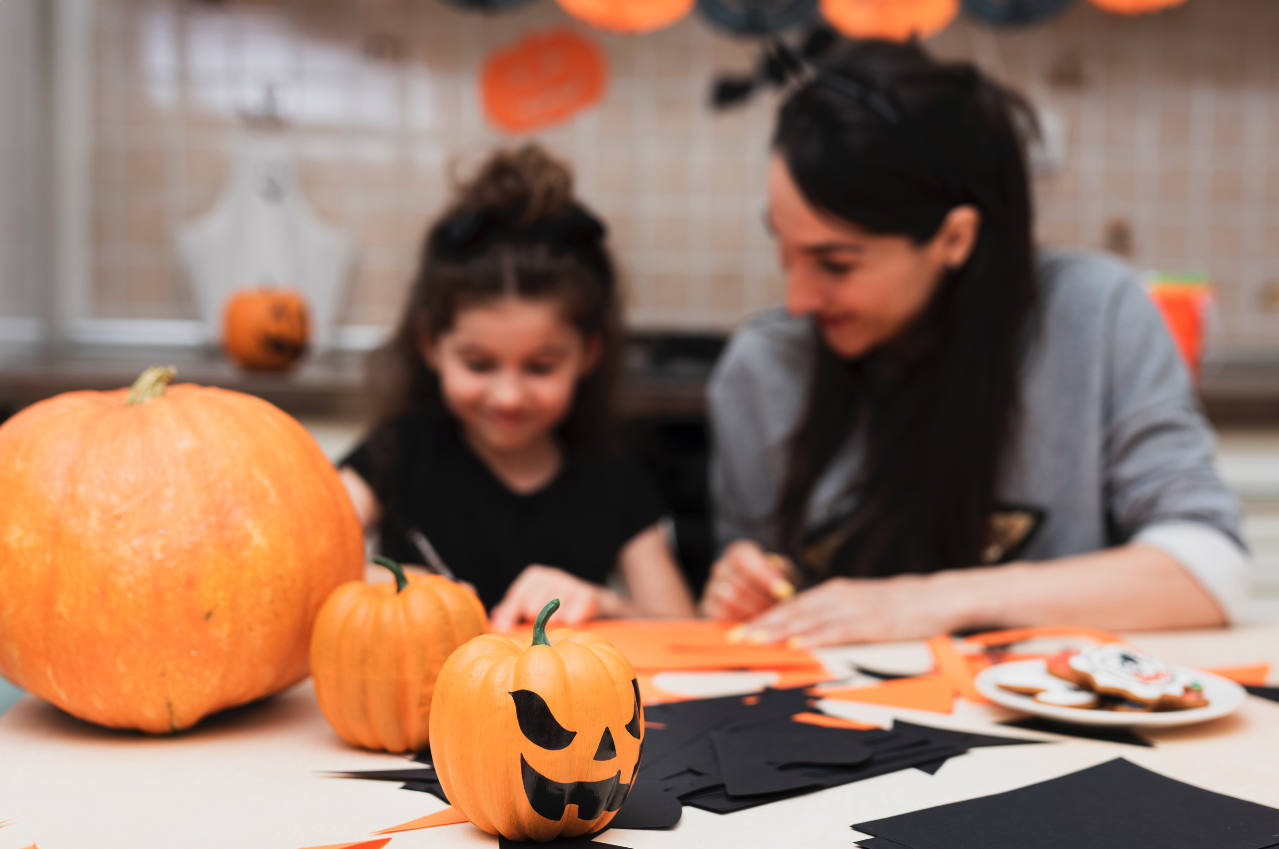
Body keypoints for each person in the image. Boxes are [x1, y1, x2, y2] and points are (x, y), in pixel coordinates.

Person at [701, 37, 1248, 646]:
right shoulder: (763, 369)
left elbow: (1208, 568)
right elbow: (756, 601)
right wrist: (743, 588)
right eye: (785, 249)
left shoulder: (1096, 316)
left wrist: (938, 600)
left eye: (836, 264)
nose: (798, 299)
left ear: (955, 238)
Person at [341, 145, 695, 631]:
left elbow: (684, 630)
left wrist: (602, 602)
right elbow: (291, 568)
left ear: (588, 354)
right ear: (431, 345)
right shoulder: (397, 451)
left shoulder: (613, 477)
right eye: (479, 364)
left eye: (541, 367)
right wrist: (370, 585)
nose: (507, 396)